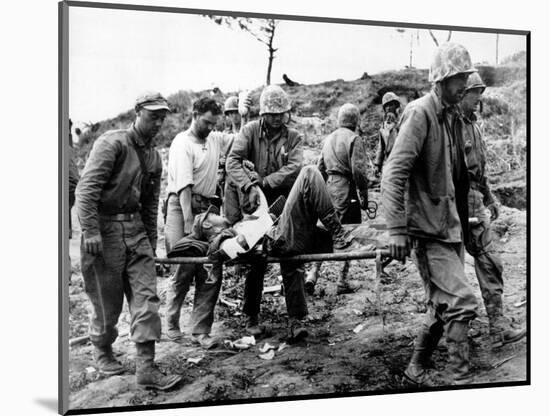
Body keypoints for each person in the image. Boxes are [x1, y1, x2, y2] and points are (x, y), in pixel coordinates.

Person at [381, 43, 478, 385]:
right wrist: (396, 230)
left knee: (441, 306)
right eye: (459, 77)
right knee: (462, 301)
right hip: (427, 230)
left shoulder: (452, 116)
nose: (465, 83)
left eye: (466, 76)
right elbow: (393, 172)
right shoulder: (420, 113)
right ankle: (459, 379)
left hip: (449, 227)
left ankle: (413, 370)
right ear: (441, 78)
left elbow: (458, 178)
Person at [75, 92, 182, 390]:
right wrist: (91, 230)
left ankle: (146, 367)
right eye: (153, 115)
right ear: (137, 112)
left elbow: (149, 205)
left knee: (147, 299)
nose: (158, 122)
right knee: (107, 304)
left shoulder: (153, 157)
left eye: (163, 117)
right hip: (104, 233)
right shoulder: (112, 144)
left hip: (136, 234)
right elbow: (86, 192)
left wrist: (150, 243)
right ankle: (102, 349)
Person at [188, 165, 351, 342]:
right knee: (309, 173)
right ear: (206, 225)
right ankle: (338, 232)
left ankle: (295, 323)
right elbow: (238, 248)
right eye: (212, 215)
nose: (217, 214)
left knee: (293, 259)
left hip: (282, 235)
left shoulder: (235, 226)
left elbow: (260, 221)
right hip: (278, 239)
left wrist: (263, 206)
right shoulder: (223, 239)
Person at [164, 97, 247, 348]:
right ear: (194, 114)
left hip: (209, 207)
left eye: (214, 123)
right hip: (182, 206)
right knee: (184, 265)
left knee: (212, 265)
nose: (210, 127)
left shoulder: (214, 138)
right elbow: (184, 188)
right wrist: (190, 226)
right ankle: (171, 321)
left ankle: (200, 330)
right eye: (206, 122)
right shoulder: (182, 144)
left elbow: (240, 139)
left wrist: (242, 117)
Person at [225, 84, 307, 339]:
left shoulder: (293, 137)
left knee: (291, 256)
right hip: (255, 206)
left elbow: (295, 167)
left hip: (284, 202)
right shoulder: (249, 132)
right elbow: (232, 161)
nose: (277, 119)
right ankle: (251, 316)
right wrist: (250, 185)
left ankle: (296, 320)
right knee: (255, 257)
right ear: (263, 114)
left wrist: (266, 181)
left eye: (281, 114)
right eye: (272, 114)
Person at [459, 72, 526, 349]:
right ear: (462, 93)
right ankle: (481, 330)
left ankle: (495, 325)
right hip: (458, 204)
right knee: (471, 265)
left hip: (474, 198)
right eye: (475, 93)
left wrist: (490, 198)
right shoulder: (452, 125)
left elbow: (480, 169)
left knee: (489, 262)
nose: (479, 99)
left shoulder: (473, 126)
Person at [305, 103, 371, 295]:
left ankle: (313, 274)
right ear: (356, 121)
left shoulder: (329, 139)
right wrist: (364, 195)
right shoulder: (354, 139)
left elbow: (320, 168)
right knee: (347, 234)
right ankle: (342, 280)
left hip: (328, 190)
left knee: (326, 231)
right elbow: (359, 171)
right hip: (346, 190)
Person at [374, 92, 401, 176]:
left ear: (396, 106)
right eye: (386, 106)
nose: (388, 108)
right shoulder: (383, 127)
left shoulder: (402, 122)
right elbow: (381, 147)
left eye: (391, 105)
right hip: (390, 160)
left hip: (402, 160)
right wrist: (378, 164)